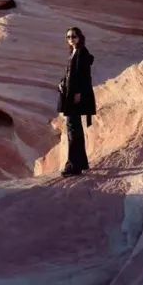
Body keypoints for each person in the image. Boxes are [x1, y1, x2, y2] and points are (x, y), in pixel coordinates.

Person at [57, 26, 96, 176]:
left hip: (75, 96)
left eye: (73, 36)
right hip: (70, 93)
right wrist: (62, 82)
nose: (71, 39)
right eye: (68, 37)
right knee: (75, 128)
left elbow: (83, 75)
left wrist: (78, 93)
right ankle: (81, 162)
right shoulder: (73, 52)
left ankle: (73, 166)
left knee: (73, 129)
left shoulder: (82, 52)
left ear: (80, 37)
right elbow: (70, 73)